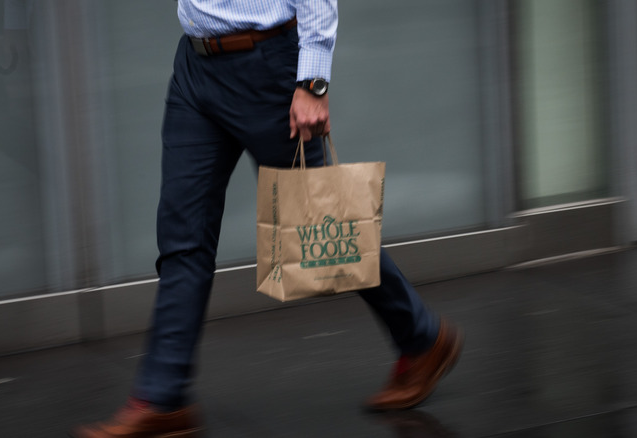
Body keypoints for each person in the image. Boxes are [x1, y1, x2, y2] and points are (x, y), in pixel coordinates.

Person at [71, 1, 463, 437]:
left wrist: (312, 83)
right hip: (195, 66)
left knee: (322, 223)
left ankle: (423, 339)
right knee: (183, 239)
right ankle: (163, 399)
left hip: (267, 68)